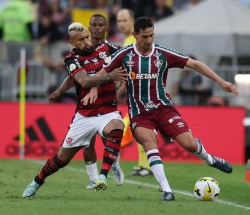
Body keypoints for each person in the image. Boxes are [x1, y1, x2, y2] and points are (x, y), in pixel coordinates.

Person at [86, 17, 239, 201]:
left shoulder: (162, 54)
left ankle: (210, 159)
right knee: (150, 143)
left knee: (189, 144)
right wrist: (93, 88)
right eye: (145, 36)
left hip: (163, 108)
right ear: (135, 35)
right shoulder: (124, 54)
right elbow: (101, 73)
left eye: (151, 35)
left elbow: (195, 64)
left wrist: (222, 82)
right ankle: (167, 191)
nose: (149, 40)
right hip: (139, 114)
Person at [22, 21, 127, 198]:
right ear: (72, 42)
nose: (86, 41)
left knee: (117, 126)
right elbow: (84, 81)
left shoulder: (105, 47)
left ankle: (103, 175)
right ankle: (37, 181)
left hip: (108, 111)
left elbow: (126, 55)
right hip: (84, 116)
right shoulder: (72, 59)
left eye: (87, 37)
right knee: (61, 159)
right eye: (80, 40)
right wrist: (109, 76)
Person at [48, 14, 125, 189]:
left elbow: (122, 63)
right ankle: (93, 178)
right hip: (86, 106)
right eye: (94, 25)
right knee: (87, 142)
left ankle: (115, 164)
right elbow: (74, 77)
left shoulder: (109, 48)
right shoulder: (76, 53)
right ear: (89, 27)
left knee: (109, 138)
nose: (97, 28)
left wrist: (121, 84)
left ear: (106, 28)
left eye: (101, 25)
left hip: (106, 105)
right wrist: (60, 91)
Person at [116, 9, 152, 176]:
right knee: (138, 127)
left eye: (124, 20)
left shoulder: (134, 40)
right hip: (136, 94)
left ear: (132, 21)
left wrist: (121, 88)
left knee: (134, 126)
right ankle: (144, 165)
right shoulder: (127, 40)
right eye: (119, 21)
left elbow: (135, 68)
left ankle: (115, 155)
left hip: (143, 93)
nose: (121, 24)